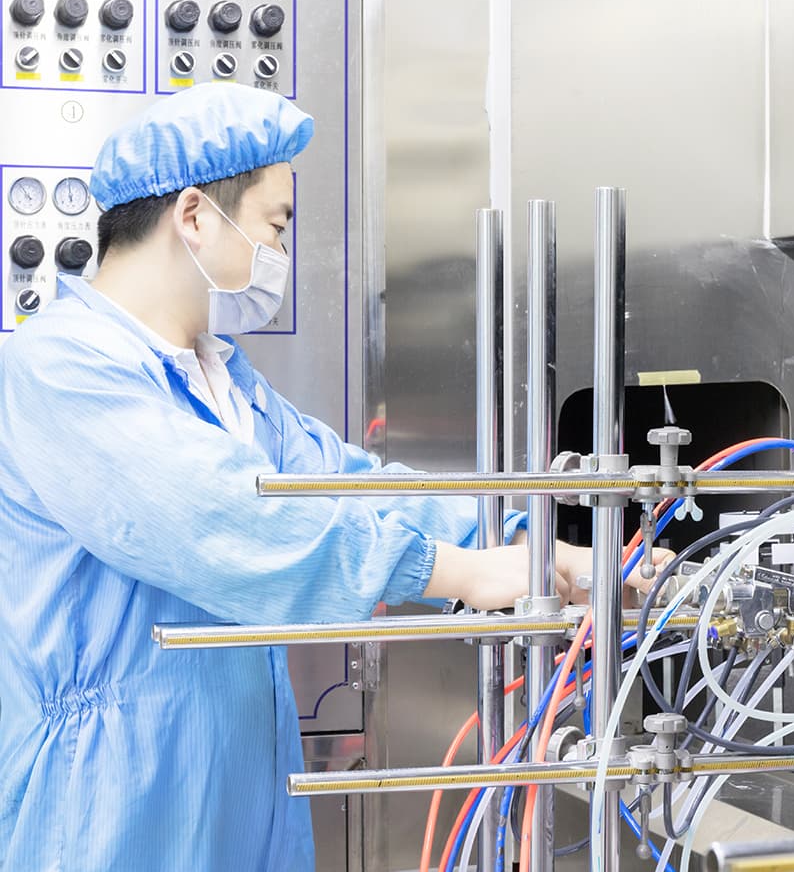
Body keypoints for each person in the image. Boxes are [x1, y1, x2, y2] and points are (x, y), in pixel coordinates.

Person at [0, 84, 660, 871]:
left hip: (239, 786)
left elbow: (351, 485)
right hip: (109, 803)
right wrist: (452, 570)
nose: (279, 253)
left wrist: (544, 550)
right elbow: (221, 518)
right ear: (194, 217)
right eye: (275, 225)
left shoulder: (223, 378)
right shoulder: (60, 367)